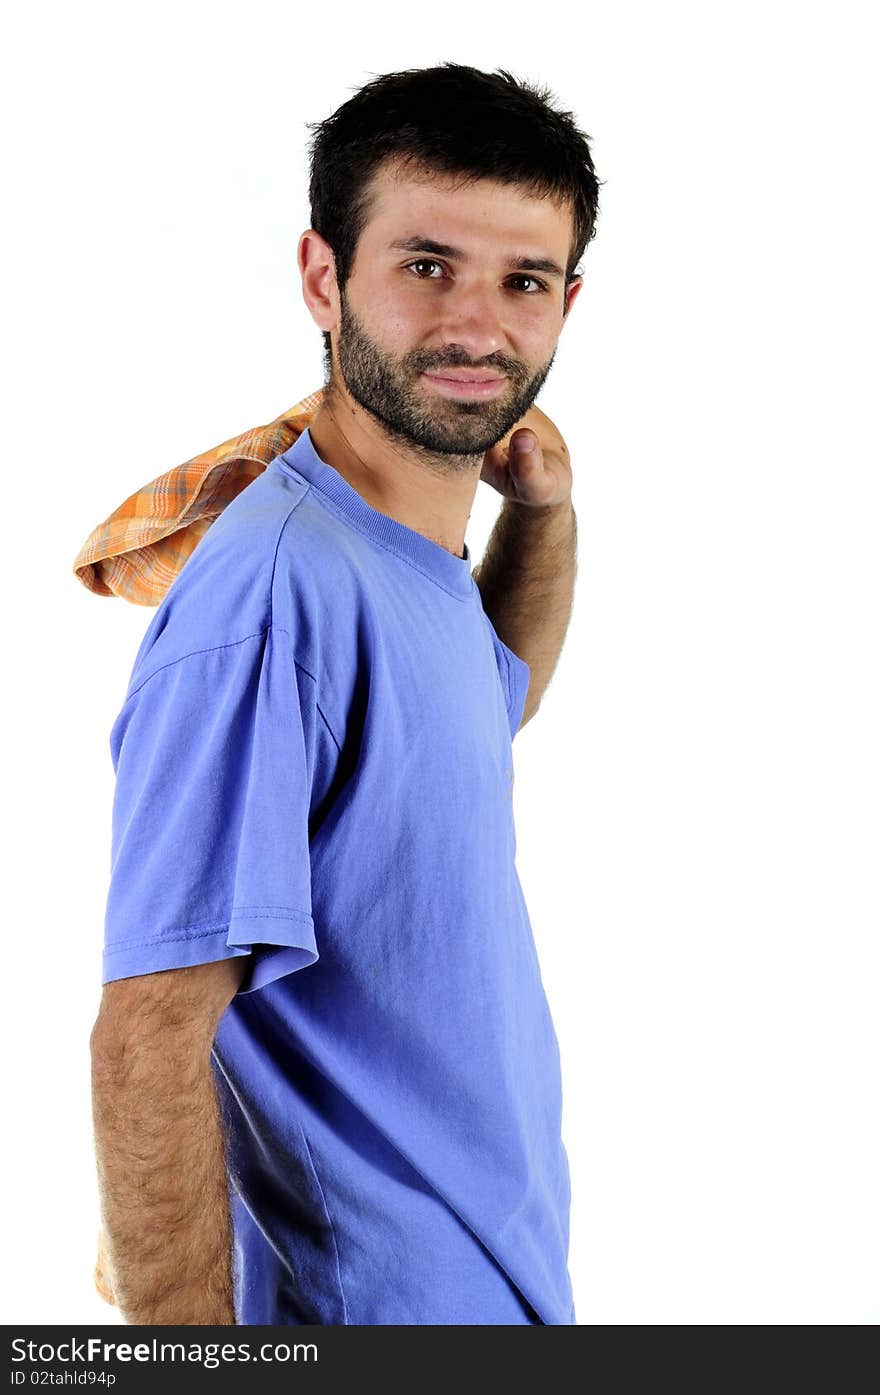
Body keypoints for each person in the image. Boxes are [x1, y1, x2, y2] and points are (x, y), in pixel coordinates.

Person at [89, 60, 601, 1326]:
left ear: (567, 303)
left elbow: (482, 712)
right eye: (427, 266)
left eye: (521, 282)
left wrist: (542, 517)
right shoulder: (275, 600)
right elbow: (150, 1031)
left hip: (489, 1287)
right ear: (326, 278)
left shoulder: (402, 560)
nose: (478, 327)